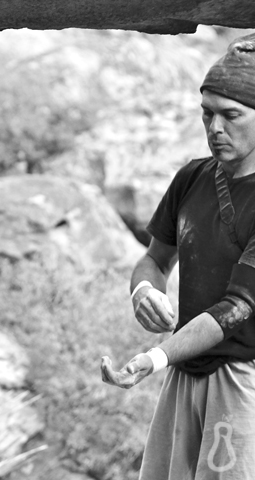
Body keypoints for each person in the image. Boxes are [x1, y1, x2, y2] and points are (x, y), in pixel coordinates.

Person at [101, 33, 255, 478]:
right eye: (207, 114)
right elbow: (155, 258)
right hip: (184, 370)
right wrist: (145, 289)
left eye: (232, 116)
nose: (215, 129)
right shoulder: (193, 177)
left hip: (241, 380)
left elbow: (235, 310)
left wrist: (154, 358)